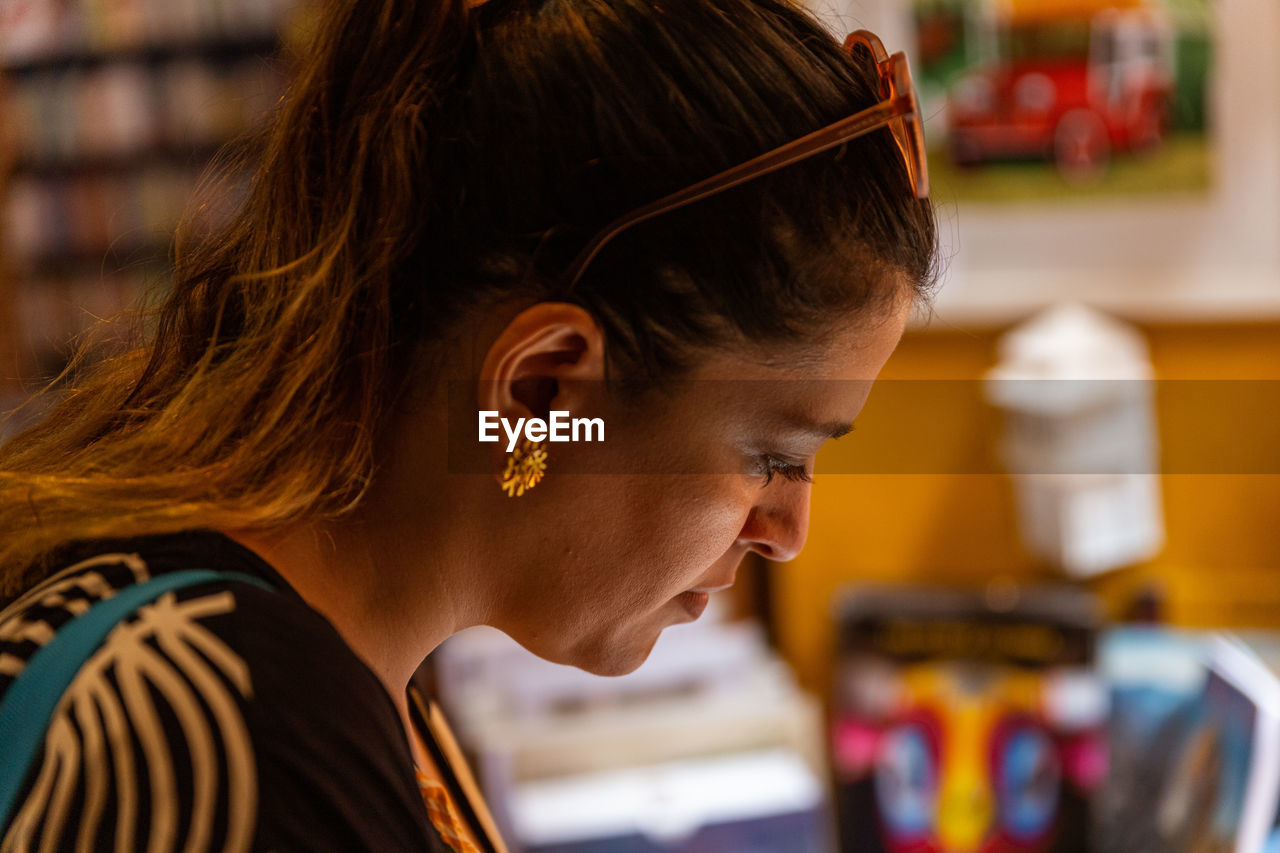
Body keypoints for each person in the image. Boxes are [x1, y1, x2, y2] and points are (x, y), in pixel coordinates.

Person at [0, 0, 938, 849]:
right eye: (772, 455)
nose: (787, 533)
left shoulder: (334, 661)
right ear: (537, 393)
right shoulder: (232, 734)